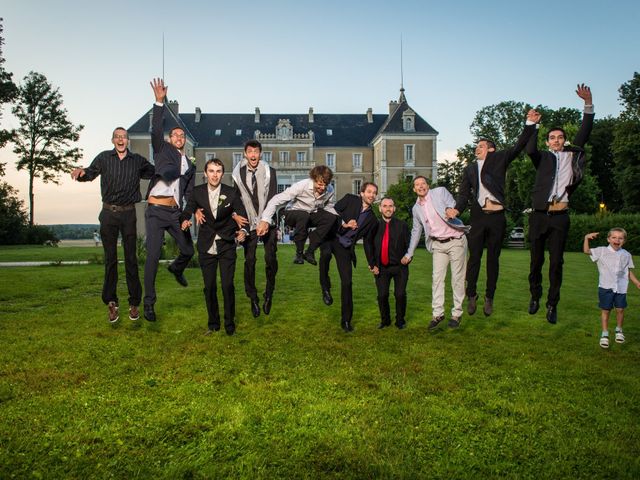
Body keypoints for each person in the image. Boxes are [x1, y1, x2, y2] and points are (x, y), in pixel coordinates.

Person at [447, 109, 540, 317]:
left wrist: (530, 124)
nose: (476, 148)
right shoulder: (469, 169)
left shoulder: (500, 159)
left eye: (481, 146)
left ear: (491, 149)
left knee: (493, 260)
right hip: (478, 217)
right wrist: (456, 209)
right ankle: (471, 295)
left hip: (497, 217)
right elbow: (463, 195)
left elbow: (518, 145)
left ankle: (490, 297)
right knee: (474, 258)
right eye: (476, 146)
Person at [71, 127, 154, 323]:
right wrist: (81, 172)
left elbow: (155, 172)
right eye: (117, 137)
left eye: (124, 137)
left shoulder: (137, 161)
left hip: (128, 214)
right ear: (112, 140)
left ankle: (134, 303)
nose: (121, 140)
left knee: (131, 259)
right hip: (109, 213)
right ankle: (111, 302)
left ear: (128, 141)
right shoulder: (104, 158)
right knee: (111, 260)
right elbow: (90, 173)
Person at [527, 84, 594, 324]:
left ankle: (552, 304)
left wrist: (588, 104)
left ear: (565, 141)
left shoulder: (571, 156)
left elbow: (585, 132)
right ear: (548, 142)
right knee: (536, 261)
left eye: (560, 137)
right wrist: (533, 125)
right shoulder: (542, 158)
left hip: (560, 217)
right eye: (552, 138)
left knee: (556, 263)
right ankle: (535, 296)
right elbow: (530, 148)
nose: (556, 140)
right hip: (539, 215)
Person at [143, 78, 196, 322]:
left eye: (181, 135)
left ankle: (176, 267)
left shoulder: (189, 165)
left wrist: (187, 215)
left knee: (188, 249)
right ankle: (149, 303)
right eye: (174, 134)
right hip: (155, 211)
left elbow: (188, 194)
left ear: (184, 139)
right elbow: (155, 128)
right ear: (169, 139)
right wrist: (159, 102)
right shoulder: (163, 150)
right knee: (153, 256)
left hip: (175, 213)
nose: (178, 137)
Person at [181, 158, 247, 335]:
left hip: (226, 244)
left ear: (222, 174)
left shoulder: (231, 192)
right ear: (205, 173)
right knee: (209, 286)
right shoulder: (197, 192)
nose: (215, 175)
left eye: (218, 171)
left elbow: (242, 214)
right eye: (211, 171)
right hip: (206, 245)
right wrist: (186, 219)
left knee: (227, 286)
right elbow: (188, 209)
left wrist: (244, 231)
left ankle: (229, 324)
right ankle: (213, 323)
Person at [402, 176, 470, 330]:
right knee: (437, 279)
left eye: (423, 183)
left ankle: (456, 314)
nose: (421, 186)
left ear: (428, 185)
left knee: (457, 279)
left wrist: (449, 209)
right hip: (438, 245)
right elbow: (416, 231)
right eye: (417, 185)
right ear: (414, 189)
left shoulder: (440, 192)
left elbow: (452, 204)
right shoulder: (416, 208)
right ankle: (437, 314)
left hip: (456, 240)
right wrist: (409, 253)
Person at [319, 182, 378, 332]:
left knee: (347, 283)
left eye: (374, 193)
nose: (372, 195)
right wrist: (344, 224)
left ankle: (346, 321)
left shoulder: (372, 219)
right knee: (325, 255)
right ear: (362, 193)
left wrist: (372, 263)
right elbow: (331, 213)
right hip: (331, 237)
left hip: (345, 248)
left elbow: (368, 243)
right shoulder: (349, 199)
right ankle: (325, 287)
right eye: (369, 192)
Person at [231, 140, 279, 317]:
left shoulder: (269, 172)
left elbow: (273, 197)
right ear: (245, 153)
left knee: (270, 259)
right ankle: (253, 298)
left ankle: (269, 294)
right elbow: (237, 198)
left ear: (260, 154)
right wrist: (237, 216)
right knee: (249, 260)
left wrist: (265, 220)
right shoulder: (238, 173)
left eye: (256, 152)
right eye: (250, 151)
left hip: (268, 220)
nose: (253, 155)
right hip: (248, 220)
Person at [257, 165, 339, 265]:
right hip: (291, 213)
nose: (323, 188)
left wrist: (341, 221)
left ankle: (310, 252)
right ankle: (299, 253)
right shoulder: (301, 185)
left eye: (325, 184)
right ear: (313, 179)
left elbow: (329, 207)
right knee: (303, 215)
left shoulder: (330, 190)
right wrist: (265, 219)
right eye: (320, 184)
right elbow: (276, 199)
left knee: (331, 217)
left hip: (310, 214)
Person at [583, 229, 639, 348]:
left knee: (620, 309)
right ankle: (604, 334)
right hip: (605, 287)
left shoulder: (626, 254)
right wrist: (586, 238)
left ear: (624, 241)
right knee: (606, 310)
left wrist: (637, 283)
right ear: (608, 239)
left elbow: (627, 272)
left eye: (620, 238)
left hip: (621, 287)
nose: (617, 240)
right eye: (614, 237)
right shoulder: (602, 251)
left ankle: (619, 330)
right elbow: (586, 251)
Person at [367, 197, 410, 330]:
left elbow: (410, 244)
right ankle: (385, 320)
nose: (388, 208)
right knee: (382, 295)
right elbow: (369, 245)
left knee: (400, 294)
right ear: (380, 208)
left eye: (390, 206)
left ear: (394, 208)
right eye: (385, 206)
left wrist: (408, 256)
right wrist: (372, 263)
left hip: (399, 267)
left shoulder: (402, 225)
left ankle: (400, 321)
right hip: (381, 268)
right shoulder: (374, 225)